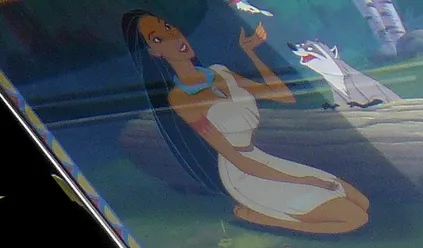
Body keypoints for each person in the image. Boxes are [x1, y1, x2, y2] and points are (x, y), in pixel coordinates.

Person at [122, 4, 370, 236]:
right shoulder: (180, 99)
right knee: (355, 218)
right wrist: (305, 180)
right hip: (242, 172)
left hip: (261, 158)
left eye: (168, 28)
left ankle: (285, 208)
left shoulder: (221, 72)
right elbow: (236, 159)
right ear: (153, 52)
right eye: (158, 38)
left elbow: (283, 97)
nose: (173, 37)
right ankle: (269, 219)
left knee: (362, 202)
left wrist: (251, 52)